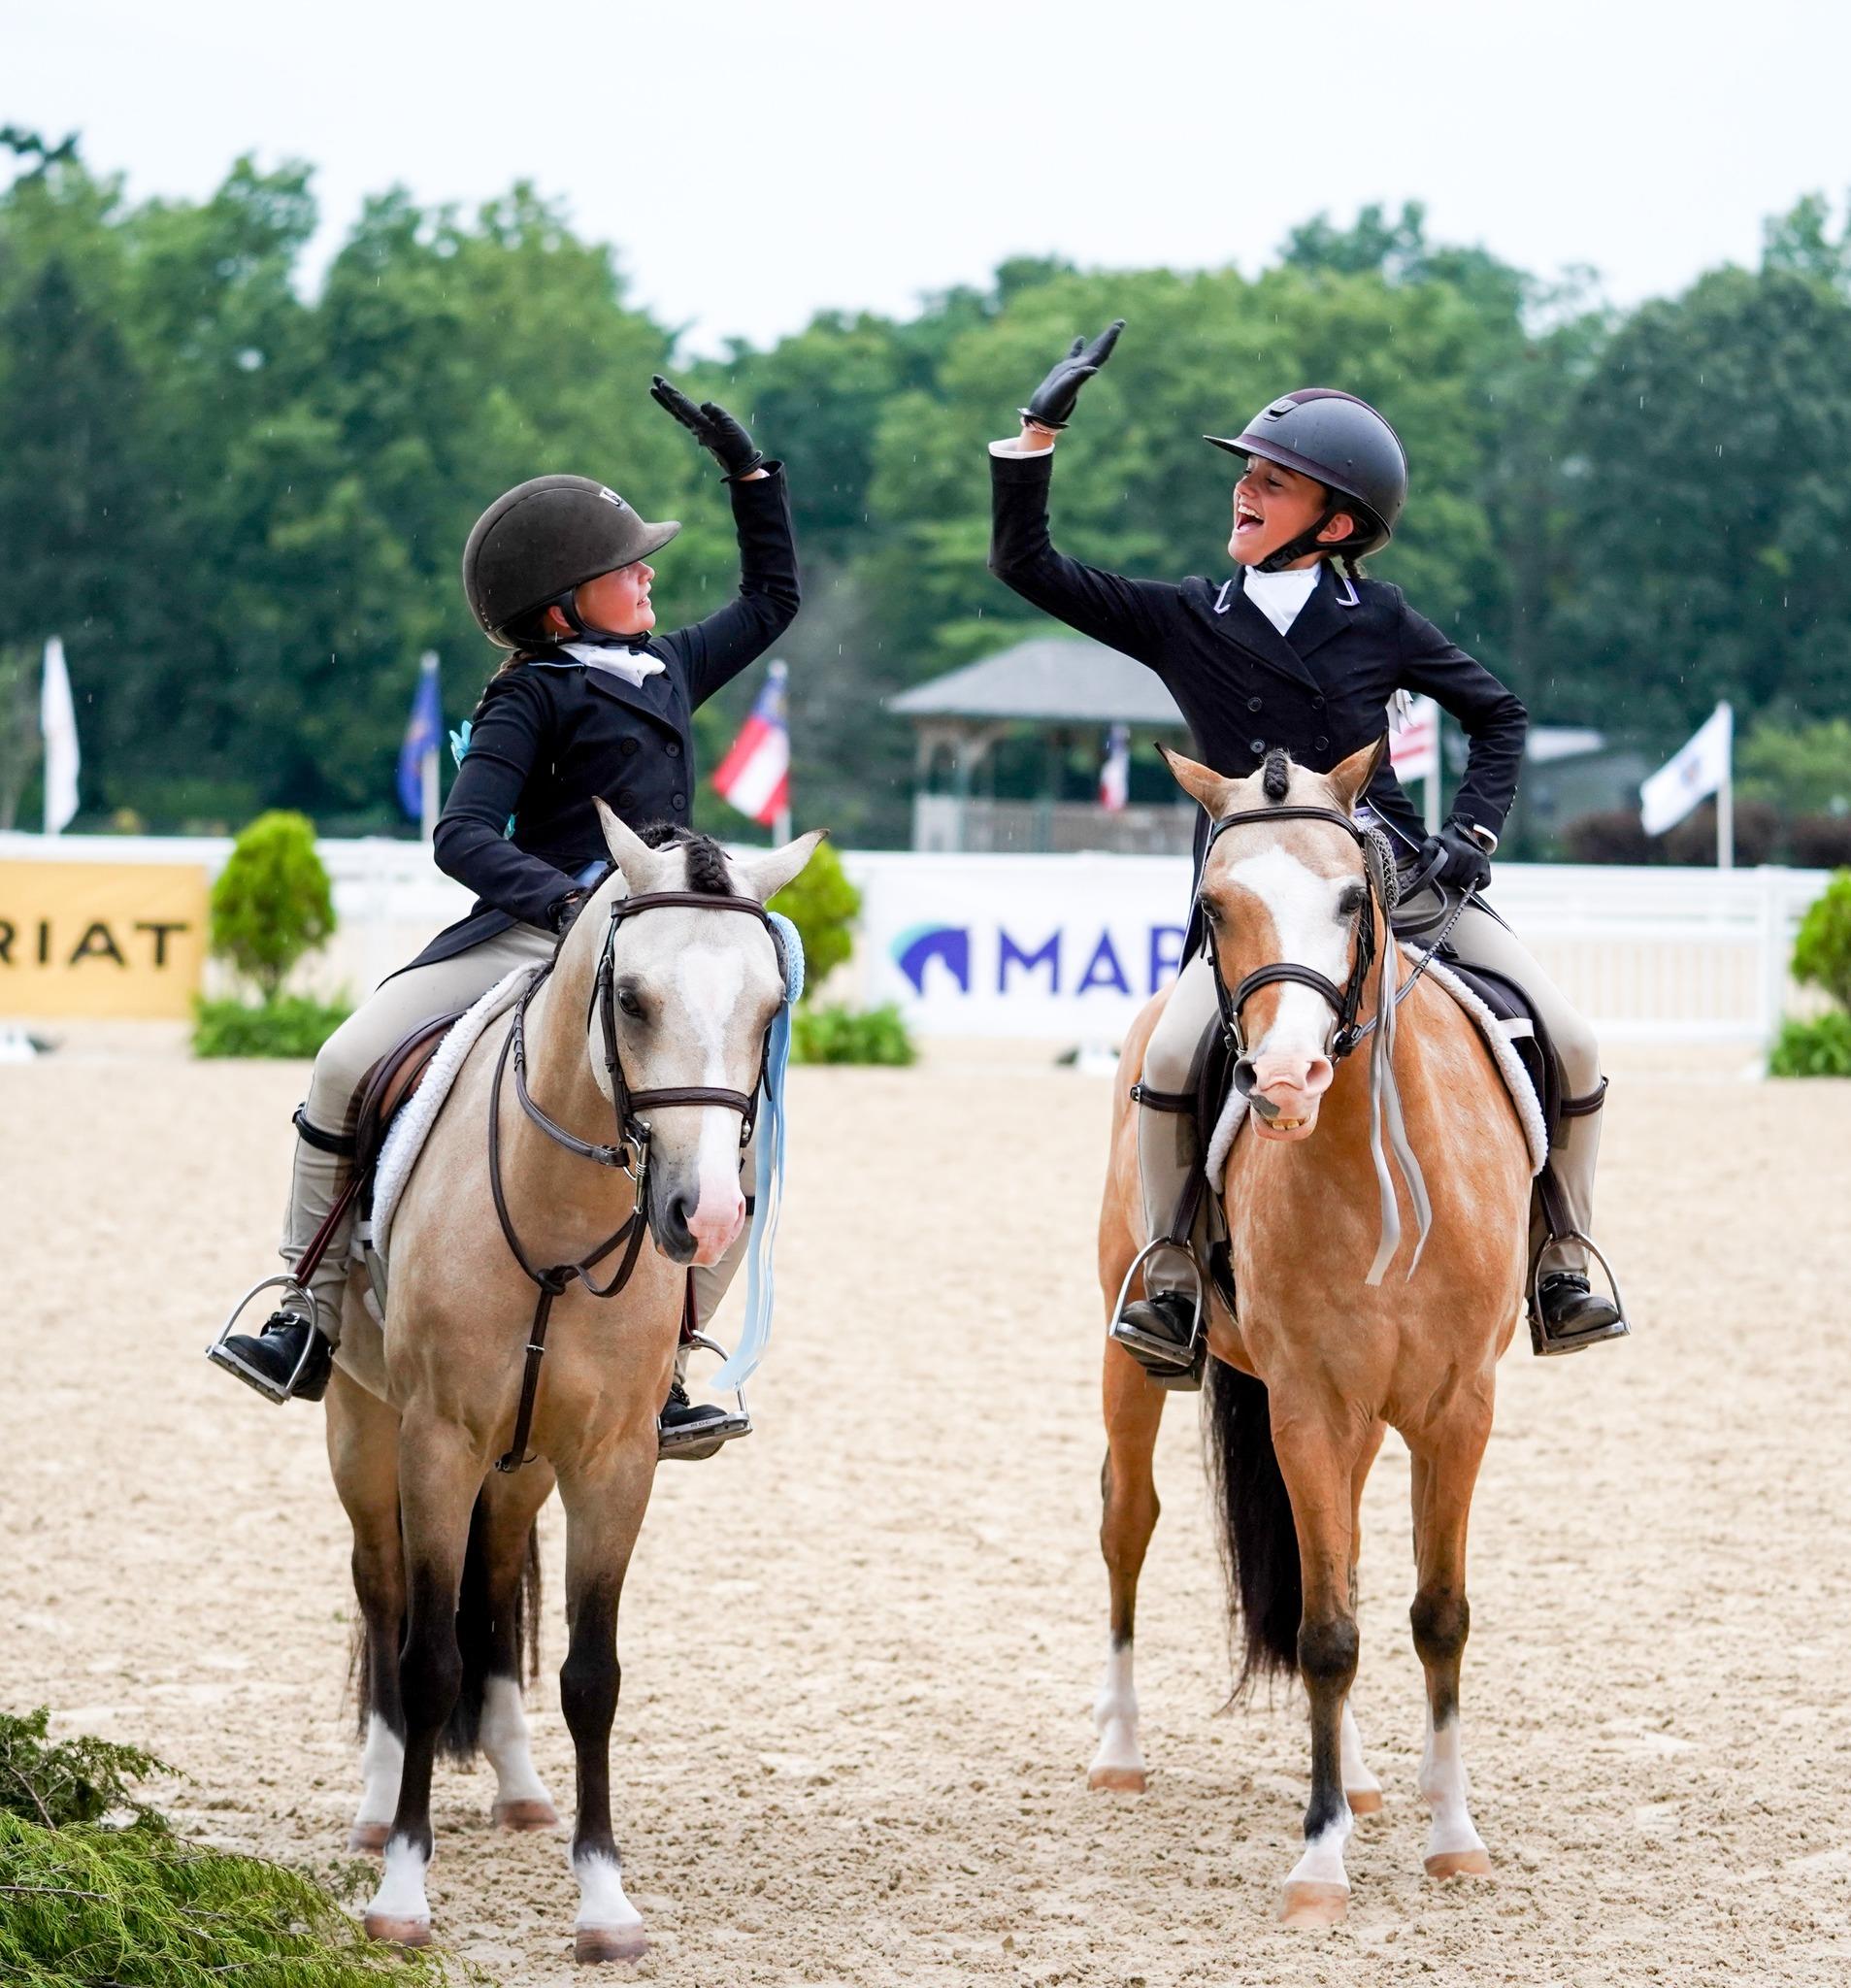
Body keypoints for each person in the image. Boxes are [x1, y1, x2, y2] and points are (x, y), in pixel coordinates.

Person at [987, 321, 1625, 1364]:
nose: (1243, 489)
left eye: (1272, 481)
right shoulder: (1184, 616)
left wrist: (1470, 831)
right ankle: (1172, 1270)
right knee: (1170, 1057)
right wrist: (1034, 438)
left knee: (1570, 1038)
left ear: (1333, 523)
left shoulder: (1380, 619)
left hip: (1394, 879)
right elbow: (1025, 563)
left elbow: (1497, 715)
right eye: (1246, 473)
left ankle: (1561, 1255)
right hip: (1256, 905)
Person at [210, 379, 802, 1453]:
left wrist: (749, 477)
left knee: (730, 1132)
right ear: (565, 603)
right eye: (628, 566)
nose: (649, 574)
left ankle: (671, 1359)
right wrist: (570, 904)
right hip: (532, 930)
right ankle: (306, 1310)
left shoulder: (665, 667)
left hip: (650, 946)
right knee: (344, 1064)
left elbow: (772, 600)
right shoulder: (529, 695)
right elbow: (462, 834)